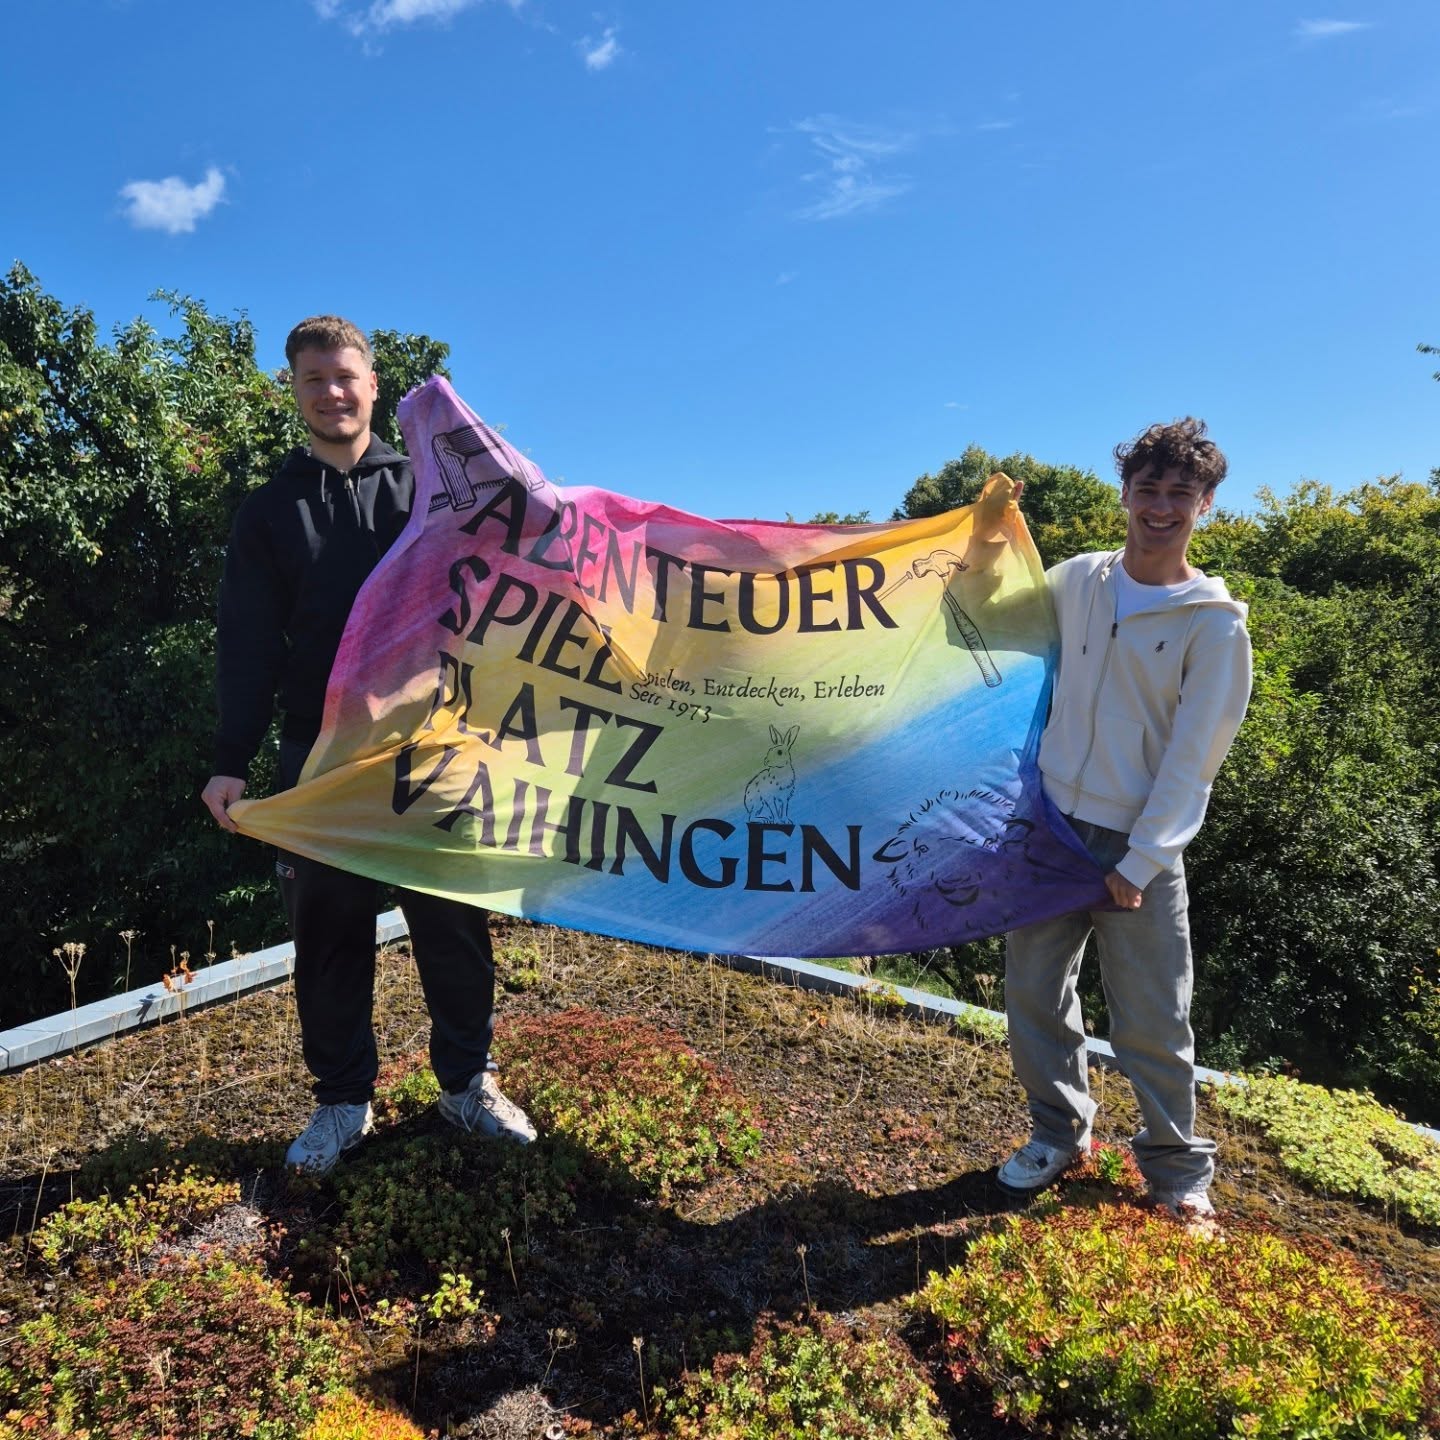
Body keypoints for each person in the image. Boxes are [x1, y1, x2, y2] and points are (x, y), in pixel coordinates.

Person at [201, 315, 535, 1173]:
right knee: (329, 935)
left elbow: (526, 561)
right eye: (313, 380)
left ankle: (467, 1084)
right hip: (319, 759)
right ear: (294, 391)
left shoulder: (433, 490)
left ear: (374, 384)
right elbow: (247, 643)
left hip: (434, 744)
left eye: (344, 376)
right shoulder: (269, 514)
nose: (331, 392)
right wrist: (230, 760)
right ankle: (343, 1102)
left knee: (454, 923)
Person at [998, 417, 1251, 1221]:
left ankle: (1178, 1179)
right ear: (1126, 496)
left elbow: (1195, 755)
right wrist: (986, 529)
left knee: (1152, 1019)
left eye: (1182, 494)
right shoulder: (1078, 580)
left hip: (1138, 847)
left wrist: (1141, 862)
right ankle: (1060, 1132)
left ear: (1206, 506)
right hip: (1050, 831)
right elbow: (990, 615)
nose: (1162, 508)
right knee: (1033, 998)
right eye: (1150, 490)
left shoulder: (1214, 622)